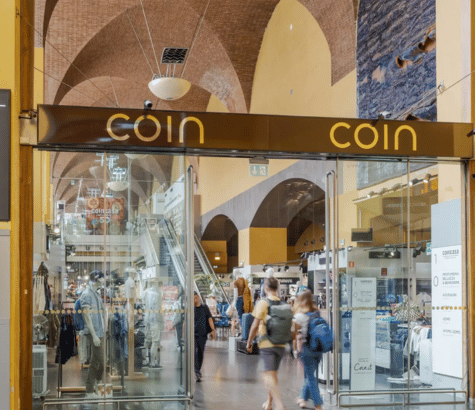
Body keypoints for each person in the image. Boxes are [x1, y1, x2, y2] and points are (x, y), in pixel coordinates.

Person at [246, 277, 290, 410]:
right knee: (272, 375)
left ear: (265, 288)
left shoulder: (263, 303)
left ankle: (279, 404)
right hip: (281, 344)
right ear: (277, 288)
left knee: (268, 376)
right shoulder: (284, 303)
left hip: (267, 344)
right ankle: (269, 403)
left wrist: (249, 341)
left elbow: (255, 325)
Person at [293, 290, 323, 410]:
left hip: (307, 350)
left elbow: (294, 334)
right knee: (310, 374)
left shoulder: (299, 316)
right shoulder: (317, 312)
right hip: (318, 349)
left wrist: (295, 349)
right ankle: (303, 398)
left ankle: (318, 404)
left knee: (310, 377)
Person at [194, 291, 216, 382]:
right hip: (193, 334)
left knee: (200, 352)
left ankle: (198, 370)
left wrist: (213, 330)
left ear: (199, 297)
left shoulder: (204, 307)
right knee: (194, 352)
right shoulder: (190, 308)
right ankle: (196, 372)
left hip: (203, 334)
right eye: (193, 298)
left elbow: (209, 318)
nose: (195, 300)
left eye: (196, 297)